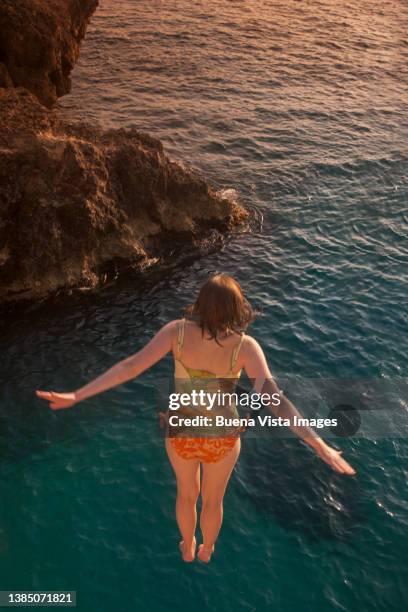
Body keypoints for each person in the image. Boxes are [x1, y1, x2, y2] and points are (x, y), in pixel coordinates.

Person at [36, 274, 356, 563]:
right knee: (213, 502)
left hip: (181, 435)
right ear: (237, 309)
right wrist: (318, 445)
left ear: (200, 304)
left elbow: (129, 367)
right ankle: (207, 549)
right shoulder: (245, 348)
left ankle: (187, 544)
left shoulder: (176, 333)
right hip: (222, 438)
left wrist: (77, 395)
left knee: (186, 494)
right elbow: (276, 402)